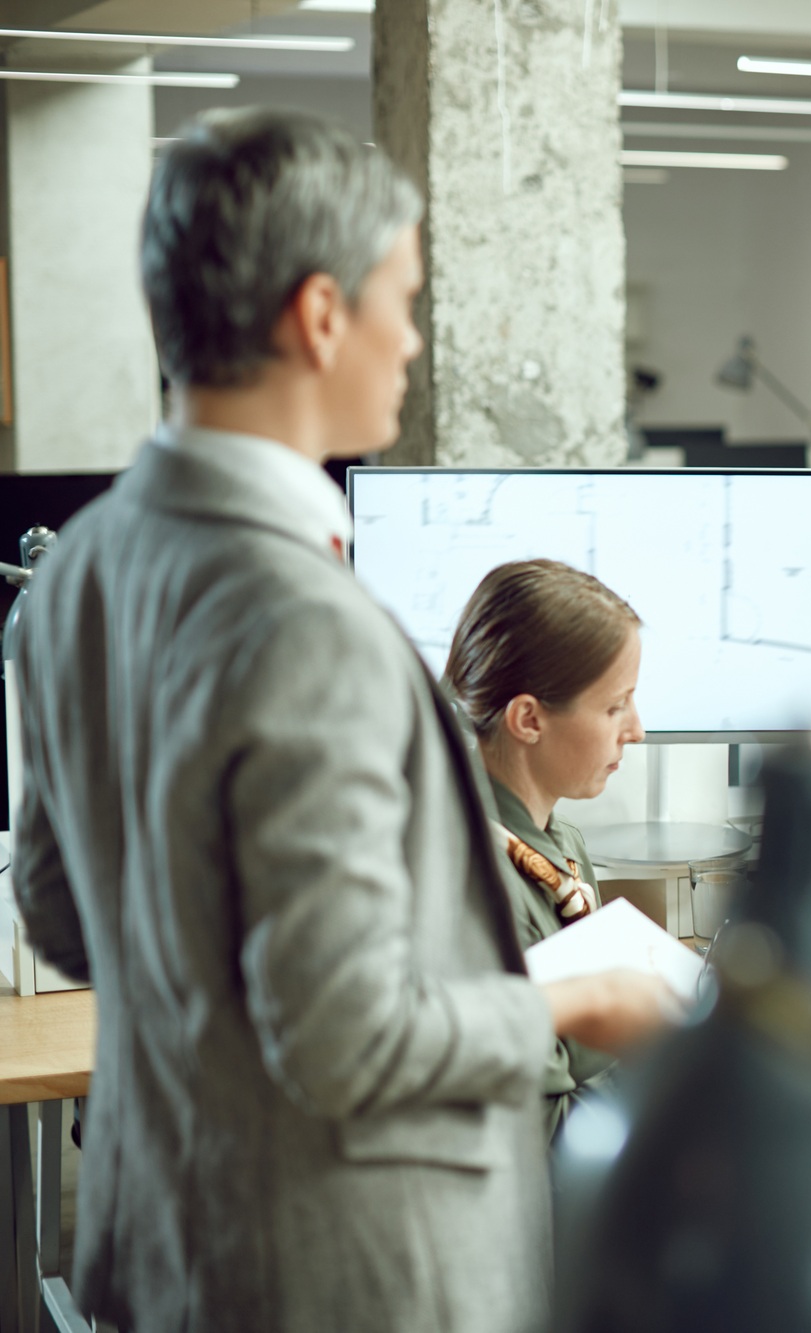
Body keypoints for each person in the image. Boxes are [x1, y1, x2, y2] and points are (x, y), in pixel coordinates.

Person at [9, 108, 671, 1333]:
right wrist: (579, 1004)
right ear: (320, 317)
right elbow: (340, 1038)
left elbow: (59, 910)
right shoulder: (306, 616)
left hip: (165, 1235)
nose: (414, 342)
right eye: (402, 301)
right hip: (337, 1265)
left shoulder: (86, 565)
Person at [444, 558, 648, 1139]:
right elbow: (543, 1134)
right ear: (528, 719)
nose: (635, 729)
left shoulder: (561, 844)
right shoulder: (480, 888)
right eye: (615, 706)